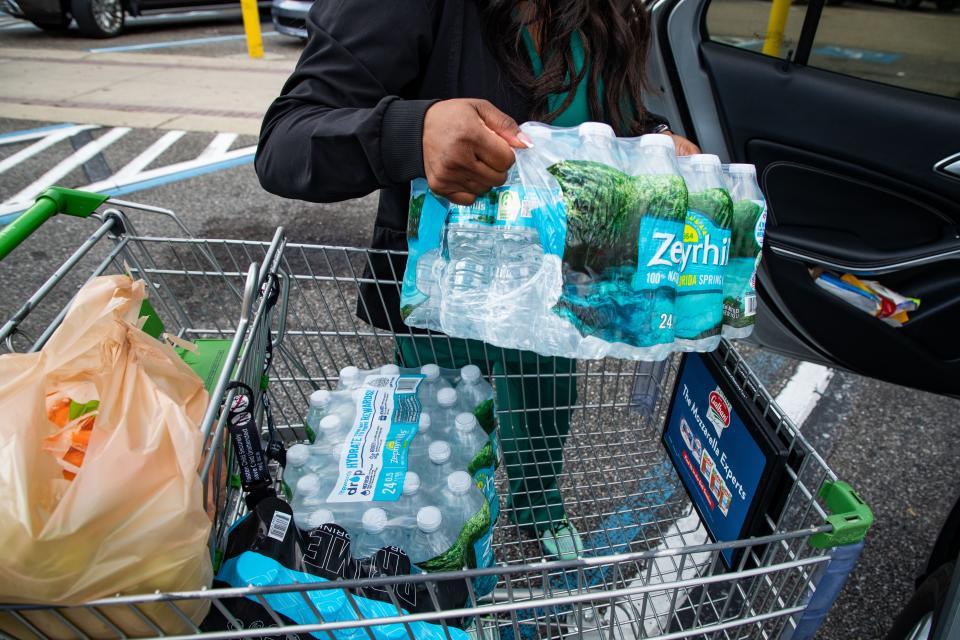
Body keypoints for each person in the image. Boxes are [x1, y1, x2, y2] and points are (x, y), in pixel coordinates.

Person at [256, 0, 700, 561]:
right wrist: (411, 131)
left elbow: (604, 123)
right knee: (435, 434)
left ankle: (539, 504)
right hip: (447, 287)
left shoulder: (602, 11)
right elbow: (285, 141)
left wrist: (655, 143)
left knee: (547, 404)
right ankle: (444, 550)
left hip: (553, 288)